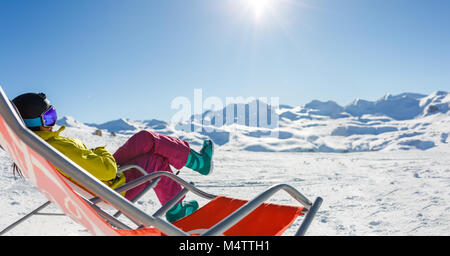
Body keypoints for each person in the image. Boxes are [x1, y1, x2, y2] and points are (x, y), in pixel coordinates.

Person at [11, 92, 214, 223]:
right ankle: (177, 211)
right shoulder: (54, 147)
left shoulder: (37, 144)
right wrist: (101, 151)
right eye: (48, 118)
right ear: (31, 122)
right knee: (156, 162)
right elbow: (107, 169)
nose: (53, 122)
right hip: (112, 187)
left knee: (145, 138)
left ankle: (197, 163)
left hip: (102, 181)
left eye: (53, 114)